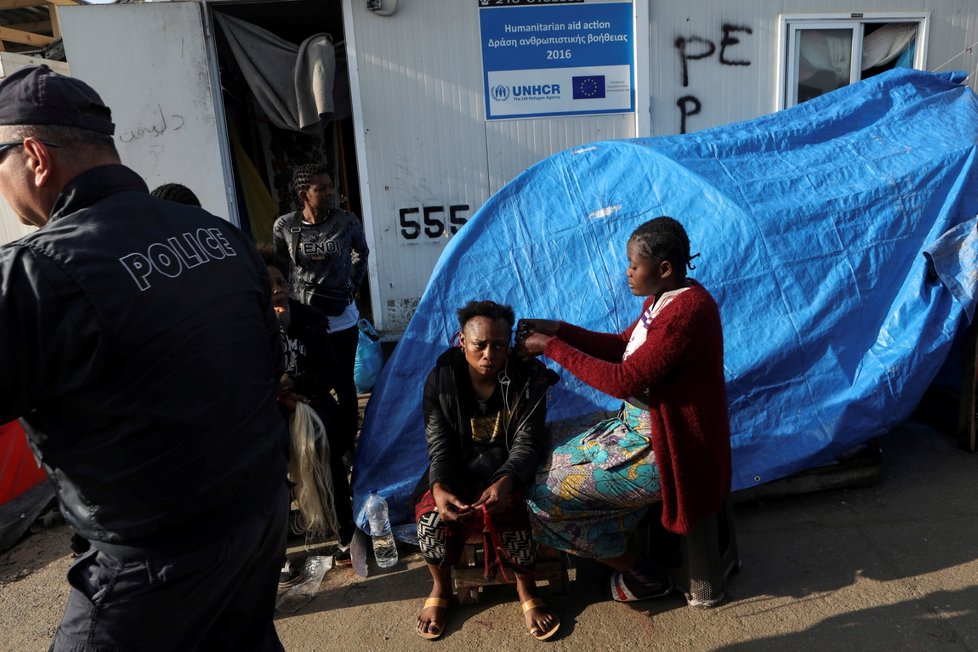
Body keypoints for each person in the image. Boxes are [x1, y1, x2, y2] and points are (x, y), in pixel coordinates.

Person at [0, 66, 289, 650]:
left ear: (33, 155)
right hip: (256, 522)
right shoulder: (218, 236)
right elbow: (266, 369)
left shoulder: (39, 271)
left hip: (151, 566)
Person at [518, 216, 732, 603]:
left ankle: (639, 572)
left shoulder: (687, 312)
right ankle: (613, 533)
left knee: (538, 495)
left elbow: (624, 380)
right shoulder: (667, 298)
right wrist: (560, 329)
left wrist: (550, 347)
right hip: (641, 425)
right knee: (541, 445)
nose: (627, 273)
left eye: (634, 265)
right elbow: (623, 345)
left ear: (664, 269)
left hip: (666, 447)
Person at [415, 300, 560, 641]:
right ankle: (441, 587)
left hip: (510, 469)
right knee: (431, 518)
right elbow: (440, 447)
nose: (488, 355)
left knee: (520, 511)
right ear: (462, 341)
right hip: (458, 468)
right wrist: (439, 487)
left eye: (498, 345)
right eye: (479, 344)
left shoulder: (529, 378)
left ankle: (525, 588)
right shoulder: (441, 381)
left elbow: (528, 443)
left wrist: (506, 481)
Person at [272, 163, 368, 546]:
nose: (329, 193)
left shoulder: (346, 221)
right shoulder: (285, 227)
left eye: (331, 187)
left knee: (344, 385)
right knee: (312, 387)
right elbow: (280, 267)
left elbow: (361, 253)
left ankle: (346, 450)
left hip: (341, 318)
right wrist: (289, 301)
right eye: (321, 188)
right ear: (303, 194)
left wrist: (351, 287)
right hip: (306, 319)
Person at [256, 245, 356, 556]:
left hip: (310, 401)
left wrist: (297, 385)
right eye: (268, 285)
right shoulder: (249, 326)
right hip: (269, 408)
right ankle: (280, 554)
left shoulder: (310, 319)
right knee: (268, 462)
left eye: (281, 283)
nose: (277, 291)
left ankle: (346, 534)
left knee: (326, 443)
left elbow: (330, 371)